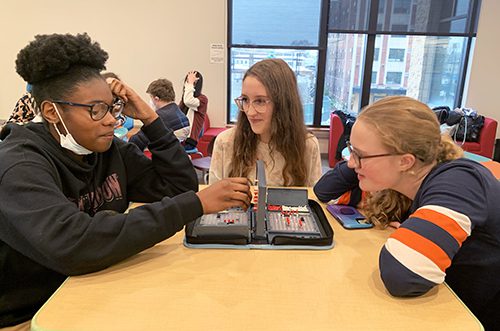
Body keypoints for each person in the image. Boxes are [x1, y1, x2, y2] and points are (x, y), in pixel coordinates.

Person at [0, 33, 251, 329]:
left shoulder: (108, 149)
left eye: (112, 107)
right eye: (96, 109)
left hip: (95, 287)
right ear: (52, 112)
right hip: (34, 316)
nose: (111, 120)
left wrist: (150, 117)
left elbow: (178, 187)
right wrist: (194, 204)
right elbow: (74, 244)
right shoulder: (19, 163)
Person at [345, 96, 499, 330]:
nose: (349, 163)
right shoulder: (415, 178)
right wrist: (362, 157)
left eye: (359, 155)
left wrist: (408, 234)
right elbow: (324, 189)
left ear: (406, 162)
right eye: (351, 150)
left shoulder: (459, 182)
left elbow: (403, 276)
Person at [209, 58, 322, 187]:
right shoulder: (226, 142)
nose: (250, 112)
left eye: (260, 101)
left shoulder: (307, 145)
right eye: (245, 99)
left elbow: (313, 199)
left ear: (283, 104)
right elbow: (215, 201)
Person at [129, 78, 190, 151]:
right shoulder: (178, 112)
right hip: (175, 154)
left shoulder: (159, 117)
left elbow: (137, 142)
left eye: (151, 97)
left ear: (156, 99)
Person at [179, 70, 207, 150]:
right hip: (181, 138)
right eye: (187, 82)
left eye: (189, 82)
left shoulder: (202, 100)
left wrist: (190, 83)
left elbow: (188, 101)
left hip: (189, 142)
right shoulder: (184, 101)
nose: (187, 85)